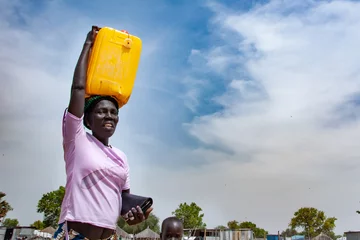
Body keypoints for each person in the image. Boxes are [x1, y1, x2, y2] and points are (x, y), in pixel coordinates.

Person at [53, 27, 152, 240]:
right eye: (101, 111)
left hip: (110, 237)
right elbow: (78, 89)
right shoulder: (76, 140)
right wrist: (89, 44)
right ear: (88, 119)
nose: (109, 116)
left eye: (113, 112)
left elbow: (122, 200)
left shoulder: (121, 157)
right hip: (76, 235)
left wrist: (134, 216)